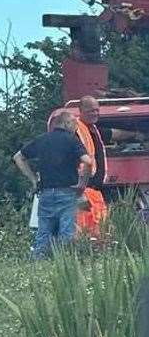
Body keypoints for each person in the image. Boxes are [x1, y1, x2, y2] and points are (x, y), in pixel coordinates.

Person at [13, 110, 93, 259]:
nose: (76, 129)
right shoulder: (72, 140)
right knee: (66, 232)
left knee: (43, 233)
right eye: (75, 124)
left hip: (46, 192)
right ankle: (64, 266)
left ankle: (38, 265)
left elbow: (18, 157)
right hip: (68, 192)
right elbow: (88, 161)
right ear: (66, 123)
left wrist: (33, 179)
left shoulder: (42, 139)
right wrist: (82, 184)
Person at [71, 95, 145, 236]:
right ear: (80, 110)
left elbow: (113, 134)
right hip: (84, 188)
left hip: (94, 189)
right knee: (85, 224)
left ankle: (97, 247)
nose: (95, 113)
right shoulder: (76, 130)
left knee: (99, 223)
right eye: (91, 111)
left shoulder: (94, 130)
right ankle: (86, 248)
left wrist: (135, 134)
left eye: (97, 110)